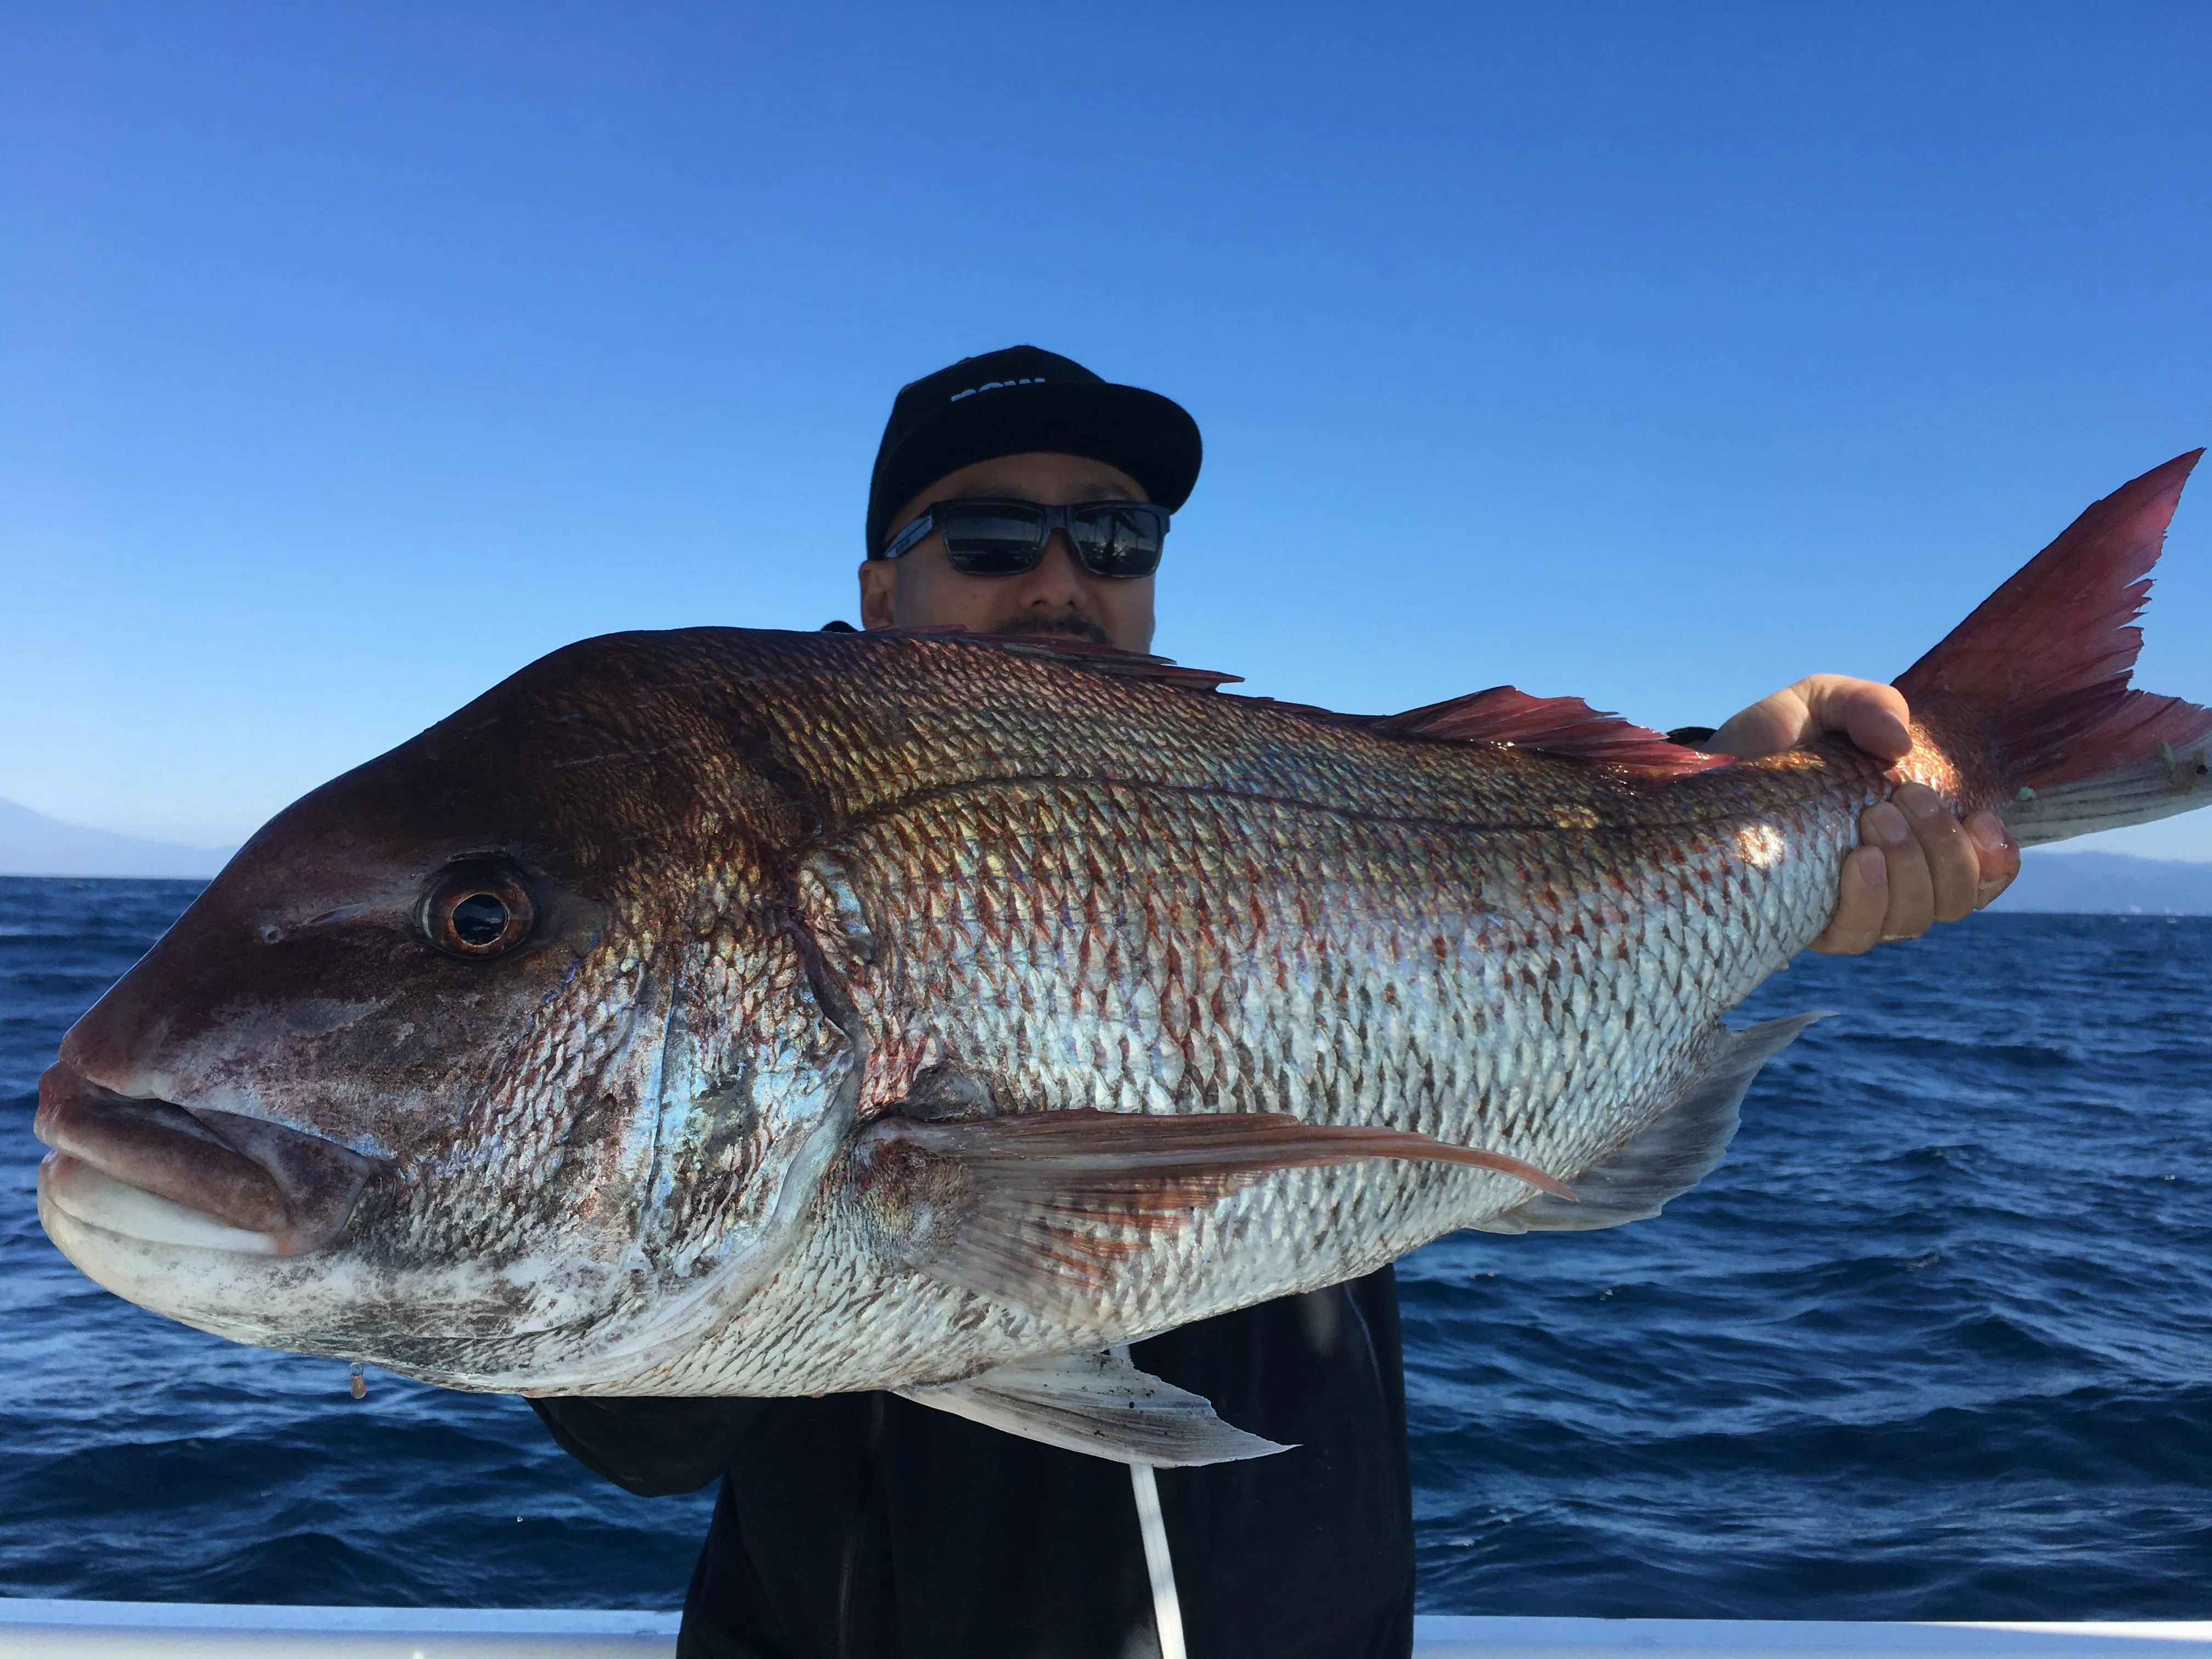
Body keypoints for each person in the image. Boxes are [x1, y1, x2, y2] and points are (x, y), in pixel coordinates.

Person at [534, 347, 2021, 1659]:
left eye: (1113, 534)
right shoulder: (723, 838)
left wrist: (1745, 789)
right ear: (879, 591)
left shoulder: (1271, 801)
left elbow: (1486, 850)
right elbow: (644, 1435)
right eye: (990, 535)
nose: (1062, 578)